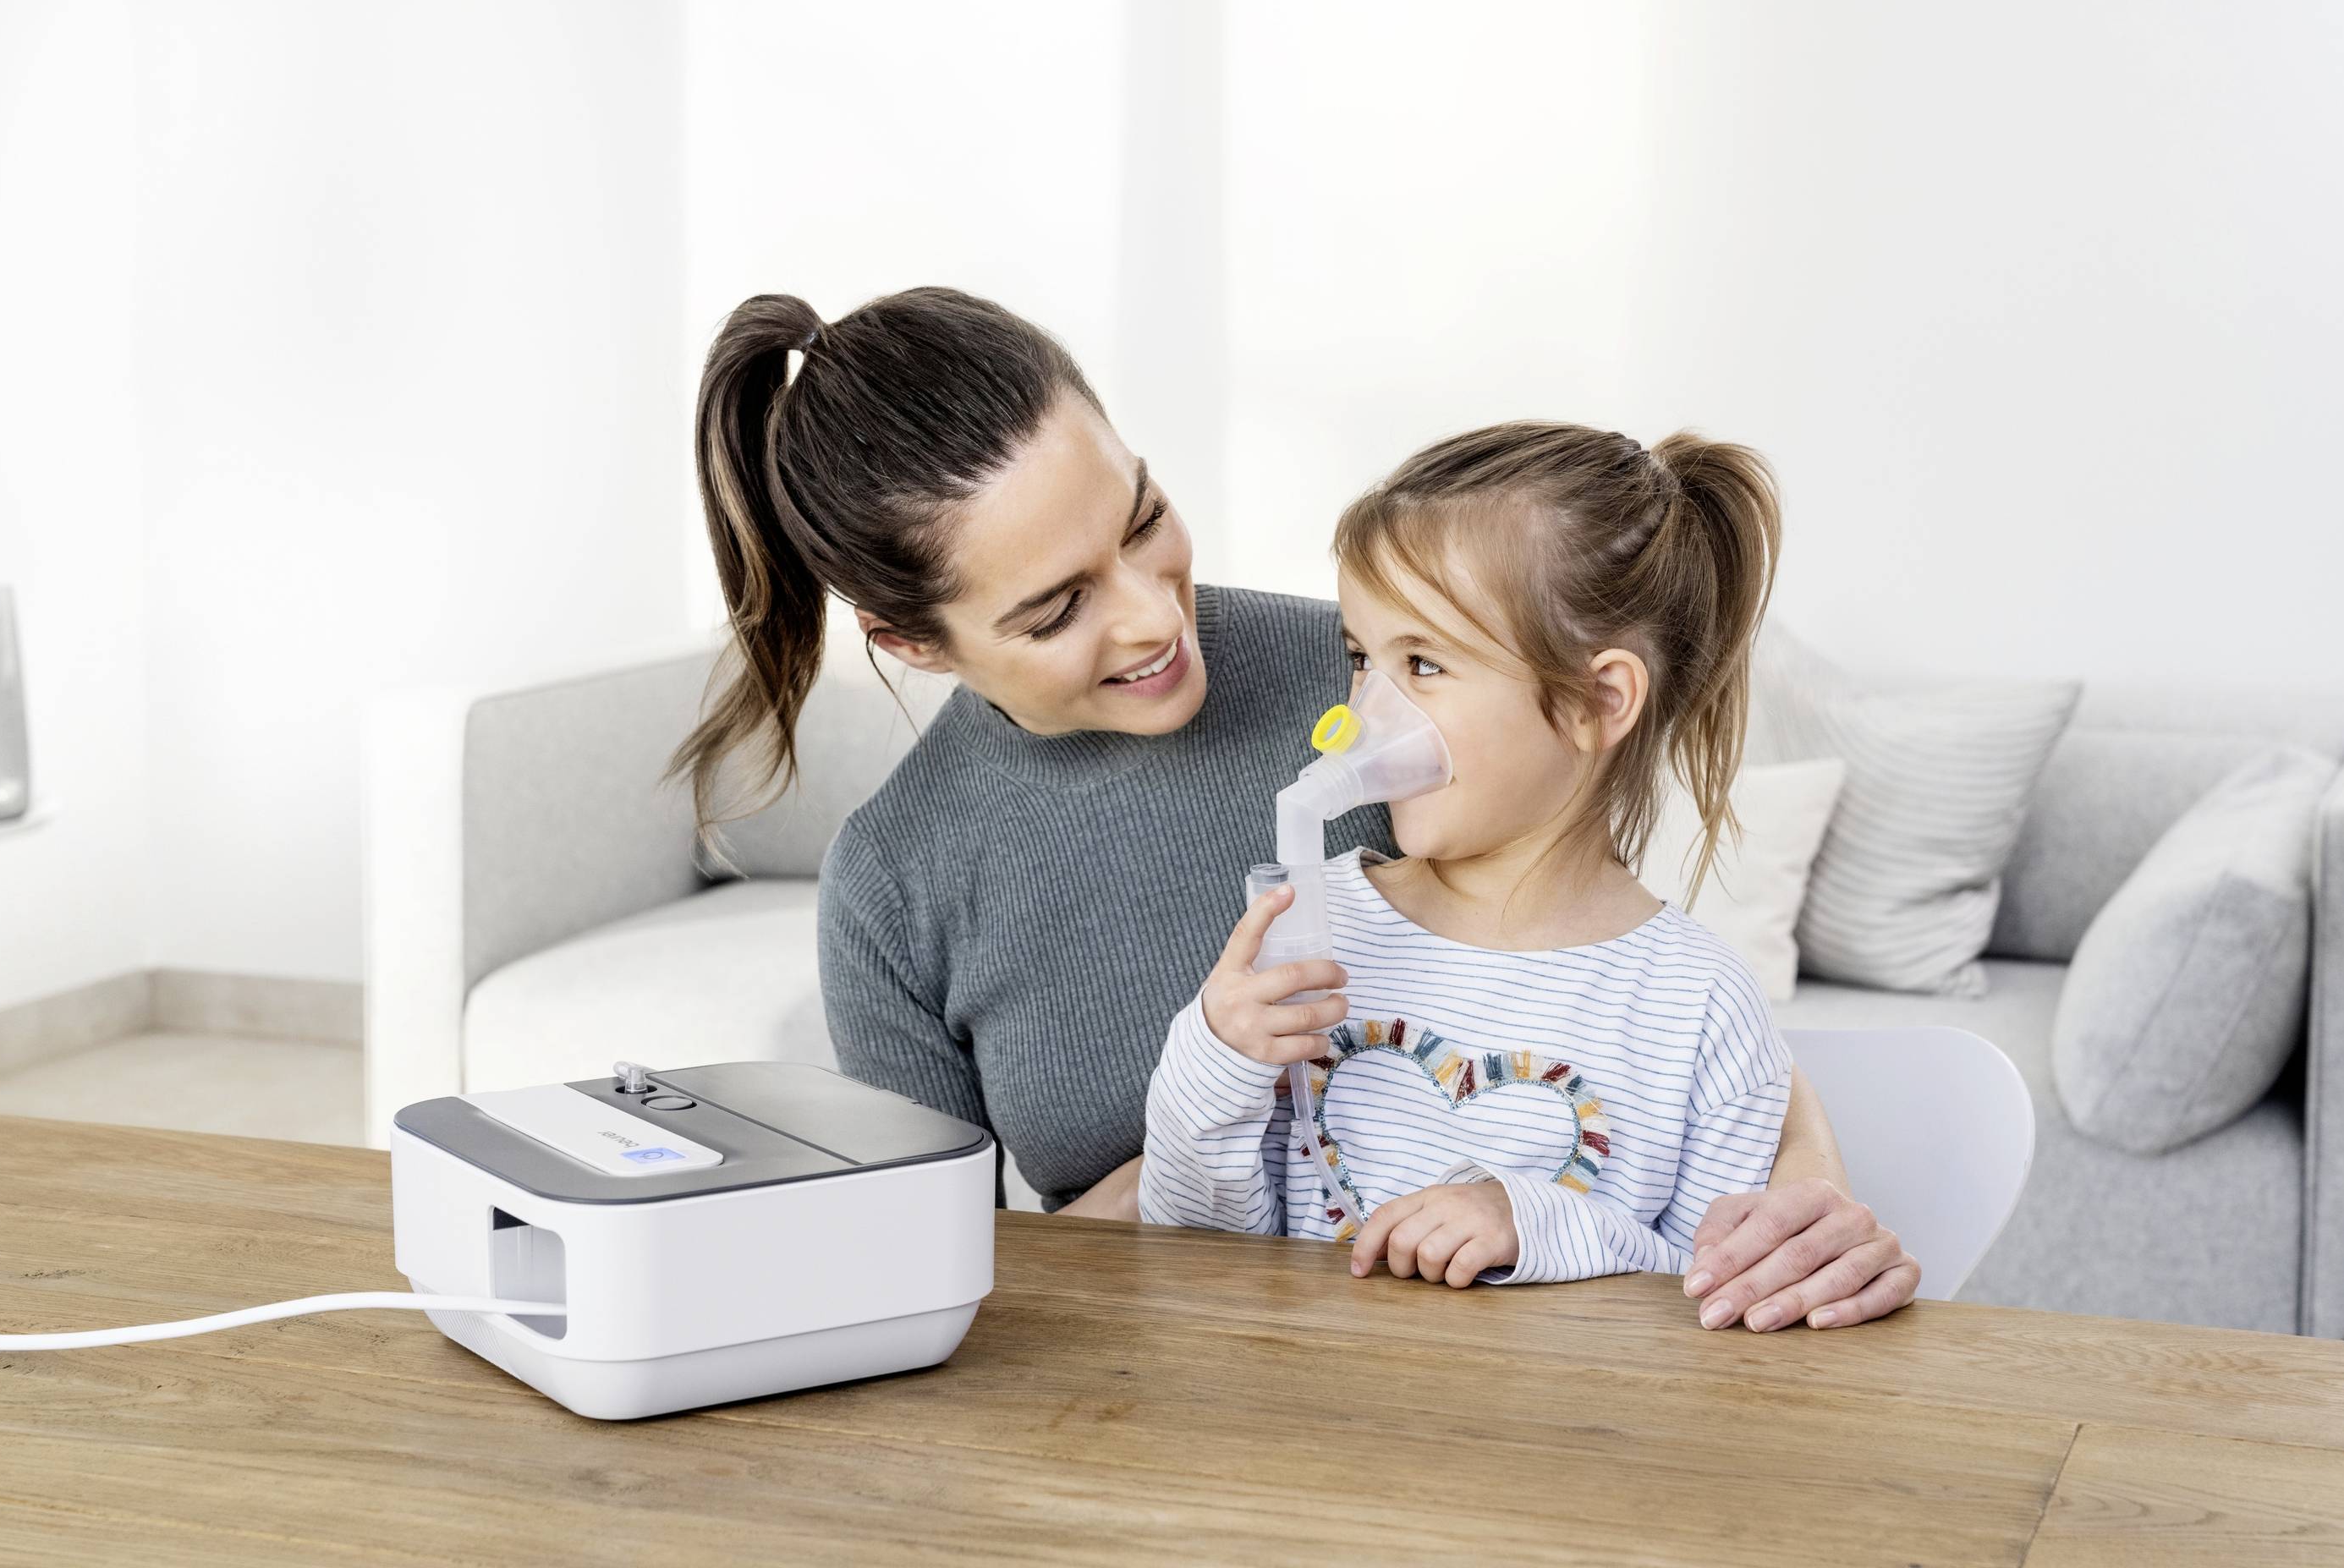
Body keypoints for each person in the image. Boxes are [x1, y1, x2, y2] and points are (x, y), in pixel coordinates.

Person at [673, 286, 1920, 1331]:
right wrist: (1186, 1145)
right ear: (916, 646)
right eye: (1056, 609)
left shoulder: (1374, 664)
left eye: (1144, 517)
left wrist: (1801, 1190)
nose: (1159, 618)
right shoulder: (897, 882)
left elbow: (1609, 998)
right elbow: (936, 1295)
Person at [1145, 421, 1803, 1301]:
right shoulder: (1311, 932)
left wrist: (1531, 1222)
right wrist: (1213, 1059)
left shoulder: (1695, 1008)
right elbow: (1189, 1252)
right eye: (1359, 658)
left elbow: (1715, 1308)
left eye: (1422, 662)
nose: (1365, 713)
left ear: (1596, 702)